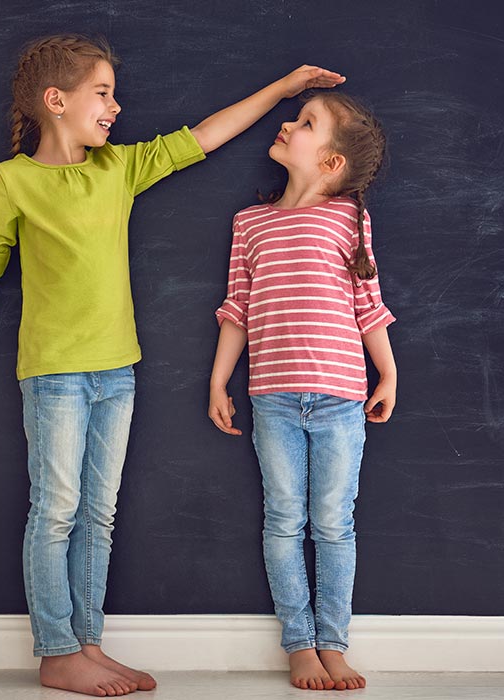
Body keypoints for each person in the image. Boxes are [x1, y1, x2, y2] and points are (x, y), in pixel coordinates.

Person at [0, 33, 345, 697]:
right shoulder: (13, 181)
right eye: (103, 94)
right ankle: (56, 648)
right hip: (56, 376)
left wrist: (282, 89)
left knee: (99, 514)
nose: (116, 107)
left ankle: (87, 642)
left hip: (117, 373)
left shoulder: (116, 169)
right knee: (56, 510)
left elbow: (205, 137)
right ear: (56, 101)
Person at [208, 90, 396, 692]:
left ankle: (333, 643)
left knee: (334, 524)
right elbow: (236, 308)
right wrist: (218, 378)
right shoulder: (250, 224)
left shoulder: (351, 220)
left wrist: (388, 372)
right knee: (284, 521)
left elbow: (368, 305)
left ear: (331, 162)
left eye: (306, 122)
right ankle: (300, 645)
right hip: (274, 400)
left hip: (342, 398)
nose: (288, 124)